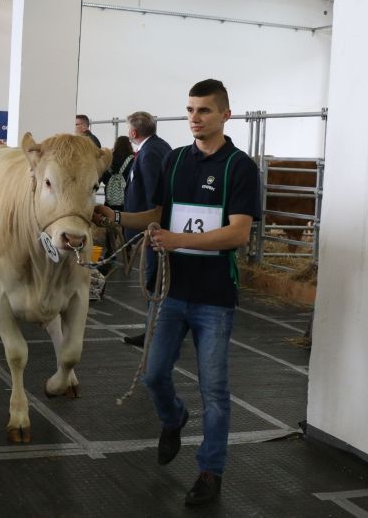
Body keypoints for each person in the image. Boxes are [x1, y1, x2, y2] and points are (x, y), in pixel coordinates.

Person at [93, 79, 260, 506]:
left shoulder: (239, 167)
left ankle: (210, 472)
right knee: (153, 374)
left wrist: (177, 239)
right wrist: (113, 215)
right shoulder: (176, 160)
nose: (194, 119)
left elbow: (238, 234)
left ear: (225, 114)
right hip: (171, 293)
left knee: (215, 391)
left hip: (215, 298)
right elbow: (156, 216)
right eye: (189, 110)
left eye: (203, 111)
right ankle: (174, 417)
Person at [122, 111, 171, 347]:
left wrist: (151, 228)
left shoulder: (150, 153)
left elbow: (155, 196)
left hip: (151, 229)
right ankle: (155, 331)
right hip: (149, 226)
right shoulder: (156, 147)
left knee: (154, 281)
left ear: (133, 132)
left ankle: (155, 333)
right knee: (156, 281)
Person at [99, 135, 134, 272]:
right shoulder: (132, 160)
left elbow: (104, 178)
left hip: (110, 199)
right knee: (126, 225)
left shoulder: (110, 160)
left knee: (110, 226)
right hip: (126, 198)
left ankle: (110, 253)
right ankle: (128, 252)